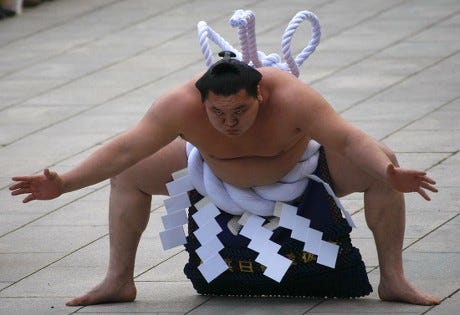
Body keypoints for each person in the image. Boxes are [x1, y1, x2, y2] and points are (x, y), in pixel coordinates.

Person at [10, 51, 440, 306]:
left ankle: (394, 279)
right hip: (210, 171)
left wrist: (388, 172)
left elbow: (347, 137)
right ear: (202, 101)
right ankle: (118, 280)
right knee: (129, 170)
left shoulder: (292, 97)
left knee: (382, 160)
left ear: (260, 95)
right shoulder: (180, 105)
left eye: (240, 111)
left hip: (301, 169)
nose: (229, 122)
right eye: (217, 113)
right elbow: (125, 147)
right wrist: (63, 183)